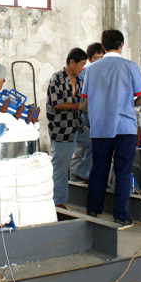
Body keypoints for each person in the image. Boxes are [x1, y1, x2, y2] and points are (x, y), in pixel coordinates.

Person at [81, 30, 141, 227]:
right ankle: (121, 215)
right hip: (124, 127)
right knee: (123, 171)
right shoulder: (130, 67)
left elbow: (85, 103)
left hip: (100, 127)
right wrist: (129, 104)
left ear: (102, 46)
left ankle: (93, 209)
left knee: (99, 169)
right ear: (121, 45)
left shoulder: (91, 70)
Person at [46, 47, 88, 208]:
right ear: (72, 62)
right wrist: (79, 106)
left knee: (95, 143)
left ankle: (81, 171)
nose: (82, 68)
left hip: (77, 126)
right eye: (81, 65)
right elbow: (56, 104)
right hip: (62, 130)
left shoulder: (80, 81)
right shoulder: (56, 78)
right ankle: (58, 202)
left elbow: (84, 102)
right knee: (61, 168)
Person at [70, 43, 105, 183]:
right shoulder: (83, 74)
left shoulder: (106, 74)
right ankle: (74, 179)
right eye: (96, 58)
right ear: (90, 59)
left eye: (101, 57)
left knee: (96, 150)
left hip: (99, 118)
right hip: (84, 118)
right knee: (80, 149)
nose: (99, 60)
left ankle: (87, 176)